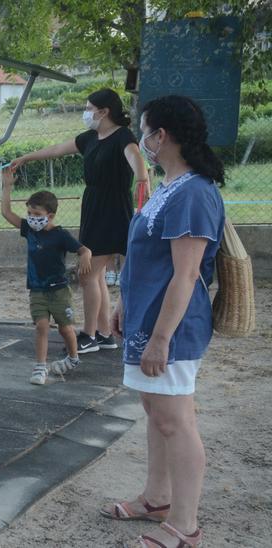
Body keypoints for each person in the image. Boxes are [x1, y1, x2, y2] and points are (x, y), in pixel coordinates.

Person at [99, 96, 224, 548]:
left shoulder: (193, 192)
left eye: (146, 130)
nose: (143, 139)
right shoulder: (170, 186)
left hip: (170, 329)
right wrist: (124, 305)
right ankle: (157, 499)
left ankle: (186, 527)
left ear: (162, 135)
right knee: (156, 412)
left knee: (176, 420)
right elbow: (146, 259)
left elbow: (187, 274)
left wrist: (161, 338)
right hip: (146, 320)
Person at [10, 89, 150, 354]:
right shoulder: (90, 138)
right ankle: (105, 333)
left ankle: (89, 334)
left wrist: (142, 180)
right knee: (95, 276)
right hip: (93, 206)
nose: (86, 112)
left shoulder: (123, 136)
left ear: (104, 111)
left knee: (88, 275)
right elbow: (57, 149)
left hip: (112, 210)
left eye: (89, 107)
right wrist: (26, 157)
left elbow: (136, 158)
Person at [0, 167, 92, 385]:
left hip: (59, 290)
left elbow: (83, 249)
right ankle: (40, 367)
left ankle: (73, 357)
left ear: (50, 216)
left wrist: (86, 256)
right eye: (30, 214)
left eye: (37, 215)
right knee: (41, 326)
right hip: (37, 289)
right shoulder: (29, 230)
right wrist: (7, 187)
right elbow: (6, 213)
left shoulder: (60, 235)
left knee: (65, 327)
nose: (32, 218)